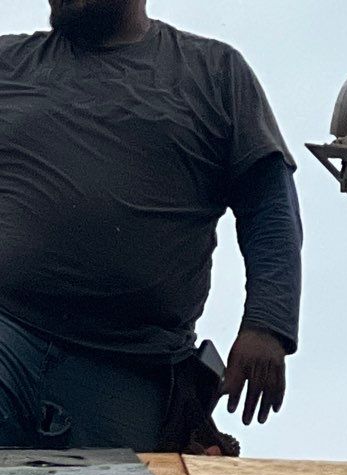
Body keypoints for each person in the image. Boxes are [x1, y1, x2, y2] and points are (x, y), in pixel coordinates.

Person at [0, 0, 303, 451]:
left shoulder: (214, 71)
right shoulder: (8, 63)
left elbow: (269, 205)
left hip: (131, 370)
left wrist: (268, 324)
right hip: (9, 333)